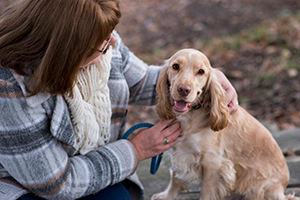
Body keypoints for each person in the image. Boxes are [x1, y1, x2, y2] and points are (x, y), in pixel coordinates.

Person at [0, 0, 238, 200]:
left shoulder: (100, 37)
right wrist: (136, 150)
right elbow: (57, 183)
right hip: (26, 186)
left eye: (111, 34)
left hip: (94, 164)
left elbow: (142, 81)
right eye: (102, 43)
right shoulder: (9, 88)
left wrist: (205, 79)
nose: (113, 42)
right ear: (66, 50)